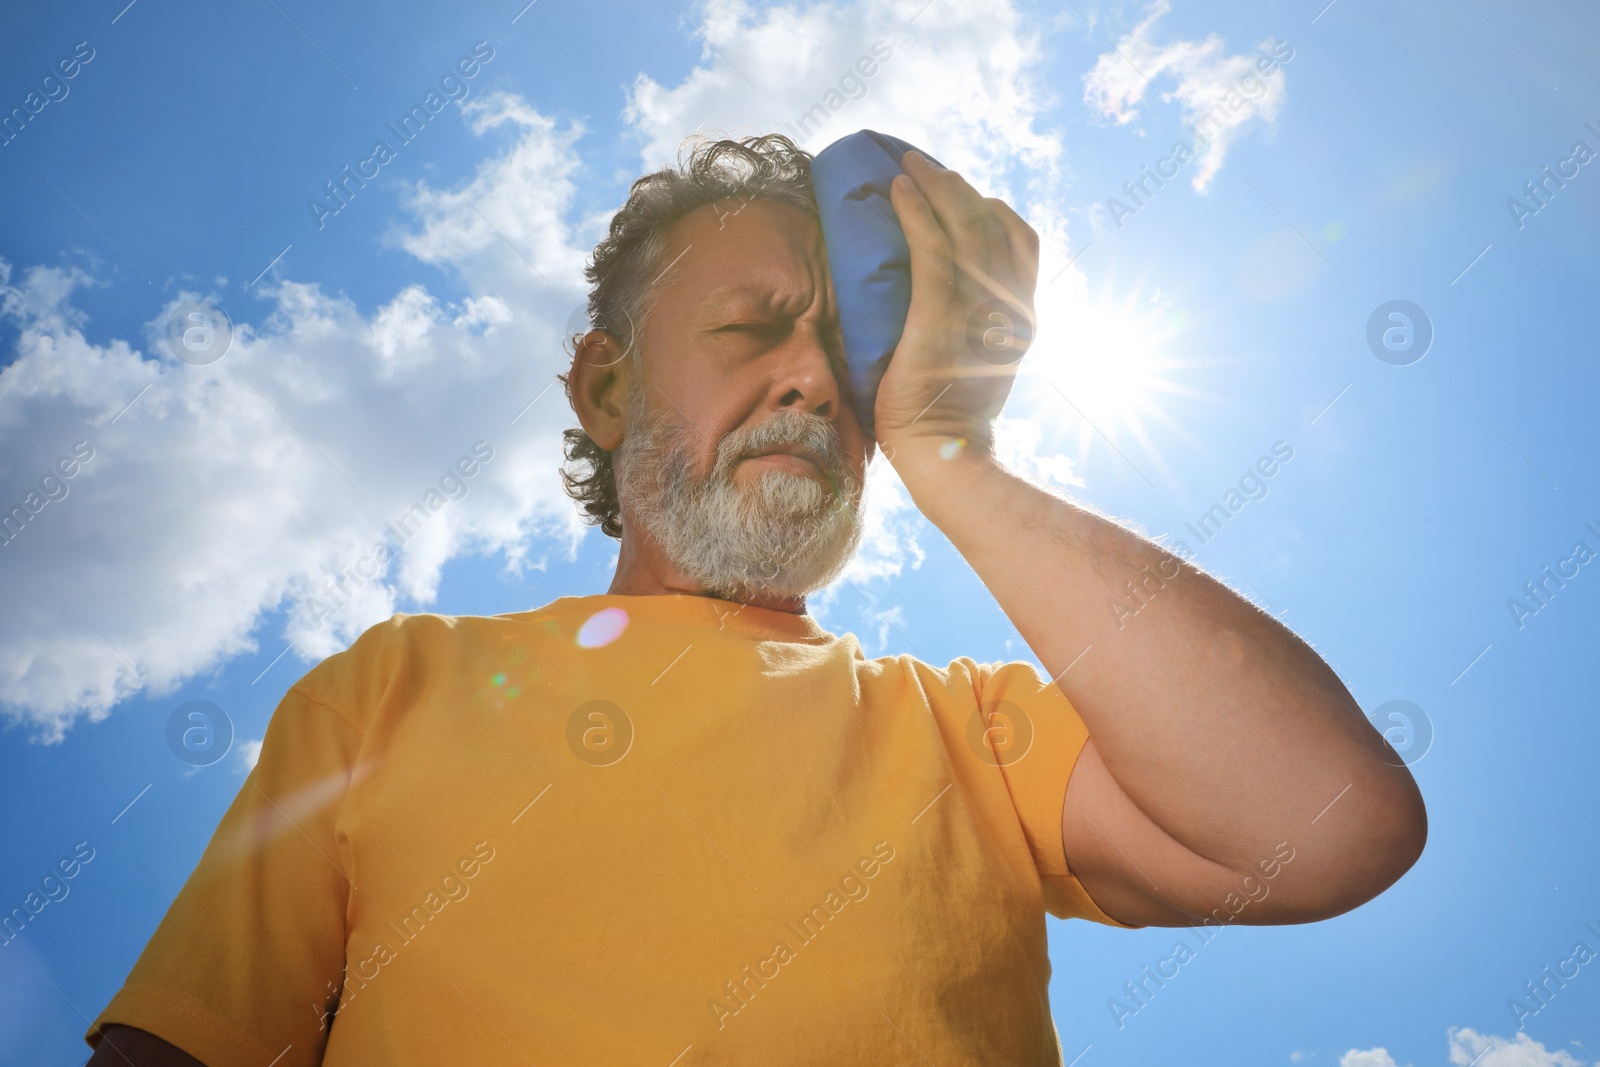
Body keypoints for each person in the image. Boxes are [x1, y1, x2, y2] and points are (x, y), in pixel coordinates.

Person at [86, 133, 1426, 1066]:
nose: (815, 381)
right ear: (607, 391)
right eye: (750, 326)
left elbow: (1331, 826)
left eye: (850, 352)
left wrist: (957, 455)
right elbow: (183, 1050)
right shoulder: (396, 687)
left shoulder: (962, 732)